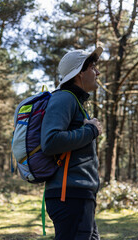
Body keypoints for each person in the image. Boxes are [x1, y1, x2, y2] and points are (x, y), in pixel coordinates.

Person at [41, 47, 103, 240]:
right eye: (93, 67)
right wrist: (91, 130)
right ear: (79, 73)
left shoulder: (75, 101)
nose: (97, 72)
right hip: (70, 195)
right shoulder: (65, 98)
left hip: (79, 195)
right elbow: (50, 141)